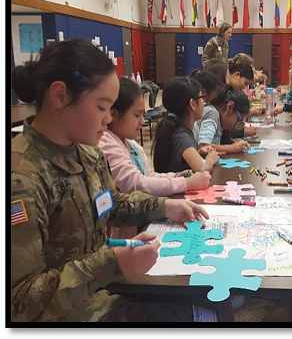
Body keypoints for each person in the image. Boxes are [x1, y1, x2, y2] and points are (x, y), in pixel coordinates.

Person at [11, 38, 221, 322]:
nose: (109, 119)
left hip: (105, 283)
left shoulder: (87, 153)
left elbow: (111, 204)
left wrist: (165, 206)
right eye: (101, 107)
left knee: (207, 295)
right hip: (72, 309)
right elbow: (20, 300)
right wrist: (111, 263)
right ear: (59, 96)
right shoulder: (22, 179)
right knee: (203, 315)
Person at [98, 77, 212, 239]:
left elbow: (148, 175)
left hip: (142, 222)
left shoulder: (131, 144)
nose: (143, 121)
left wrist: (174, 176)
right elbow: (136, 184)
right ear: (114, 115)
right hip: (126, 234)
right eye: (137, 115)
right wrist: (185, 183)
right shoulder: (108, 143)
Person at [152, 76, 221, 174]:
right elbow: (201, 168)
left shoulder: (181, 129)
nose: (204, 102)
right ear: (192, 104)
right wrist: (210, 159)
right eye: (201, 97)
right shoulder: (181, 135)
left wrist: (198, 152)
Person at [194, 84, 251, 154]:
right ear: (229, 107)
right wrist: (233, 148)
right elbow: (203, 147)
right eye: (238, 120)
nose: (235, 126)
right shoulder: (212, 114)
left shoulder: (220, 121)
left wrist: (234, 143)